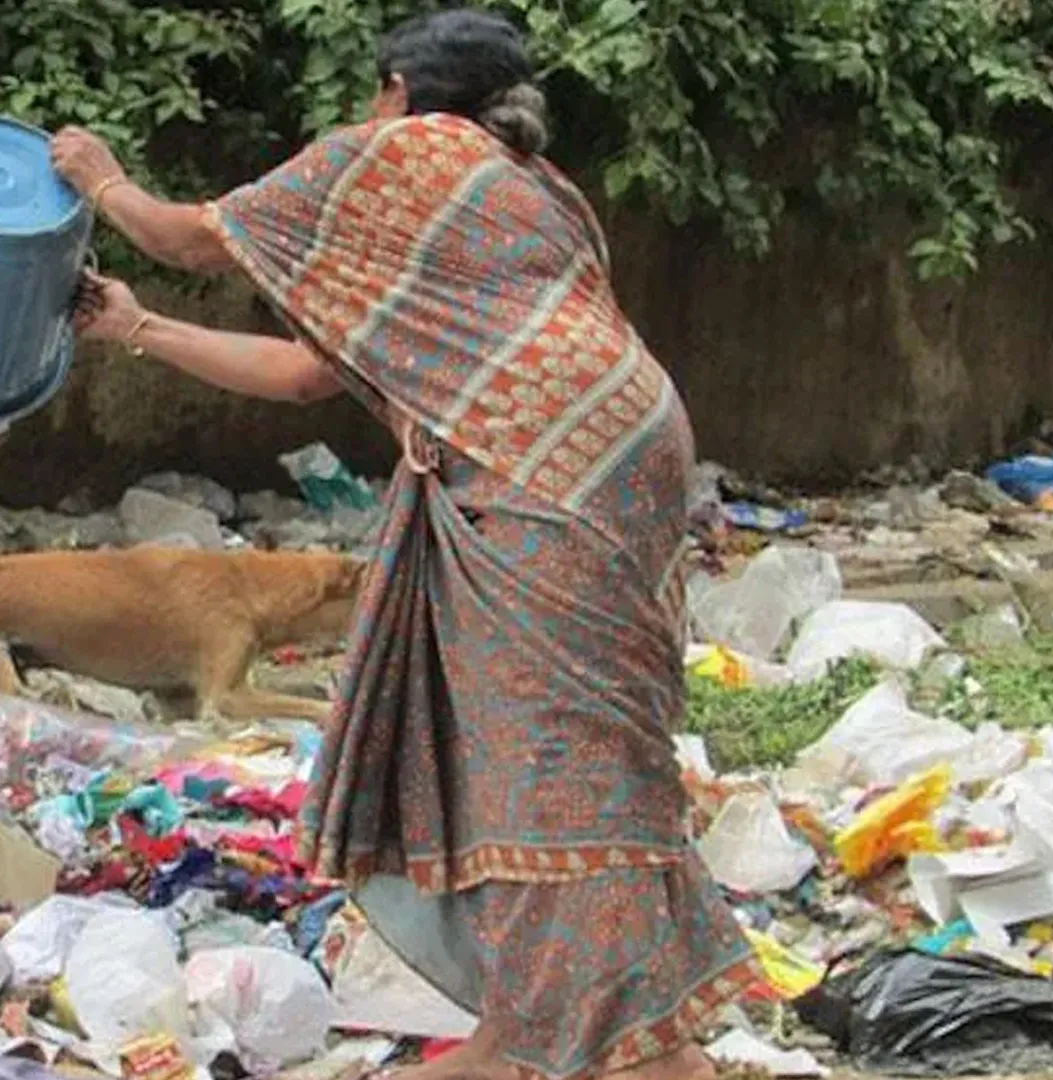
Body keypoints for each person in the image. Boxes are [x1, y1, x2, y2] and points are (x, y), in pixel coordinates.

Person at [50, 9, 762, 1080]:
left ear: (397, 89)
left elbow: (187, 236)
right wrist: (132, 327)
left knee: (544, 754)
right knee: (588, 744)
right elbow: (304, 373)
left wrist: (97, 177)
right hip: (626, 446)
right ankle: (548, 1026)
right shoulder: (536, 190)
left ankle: (569, 1037)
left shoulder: (403, 153)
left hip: (539, 474)